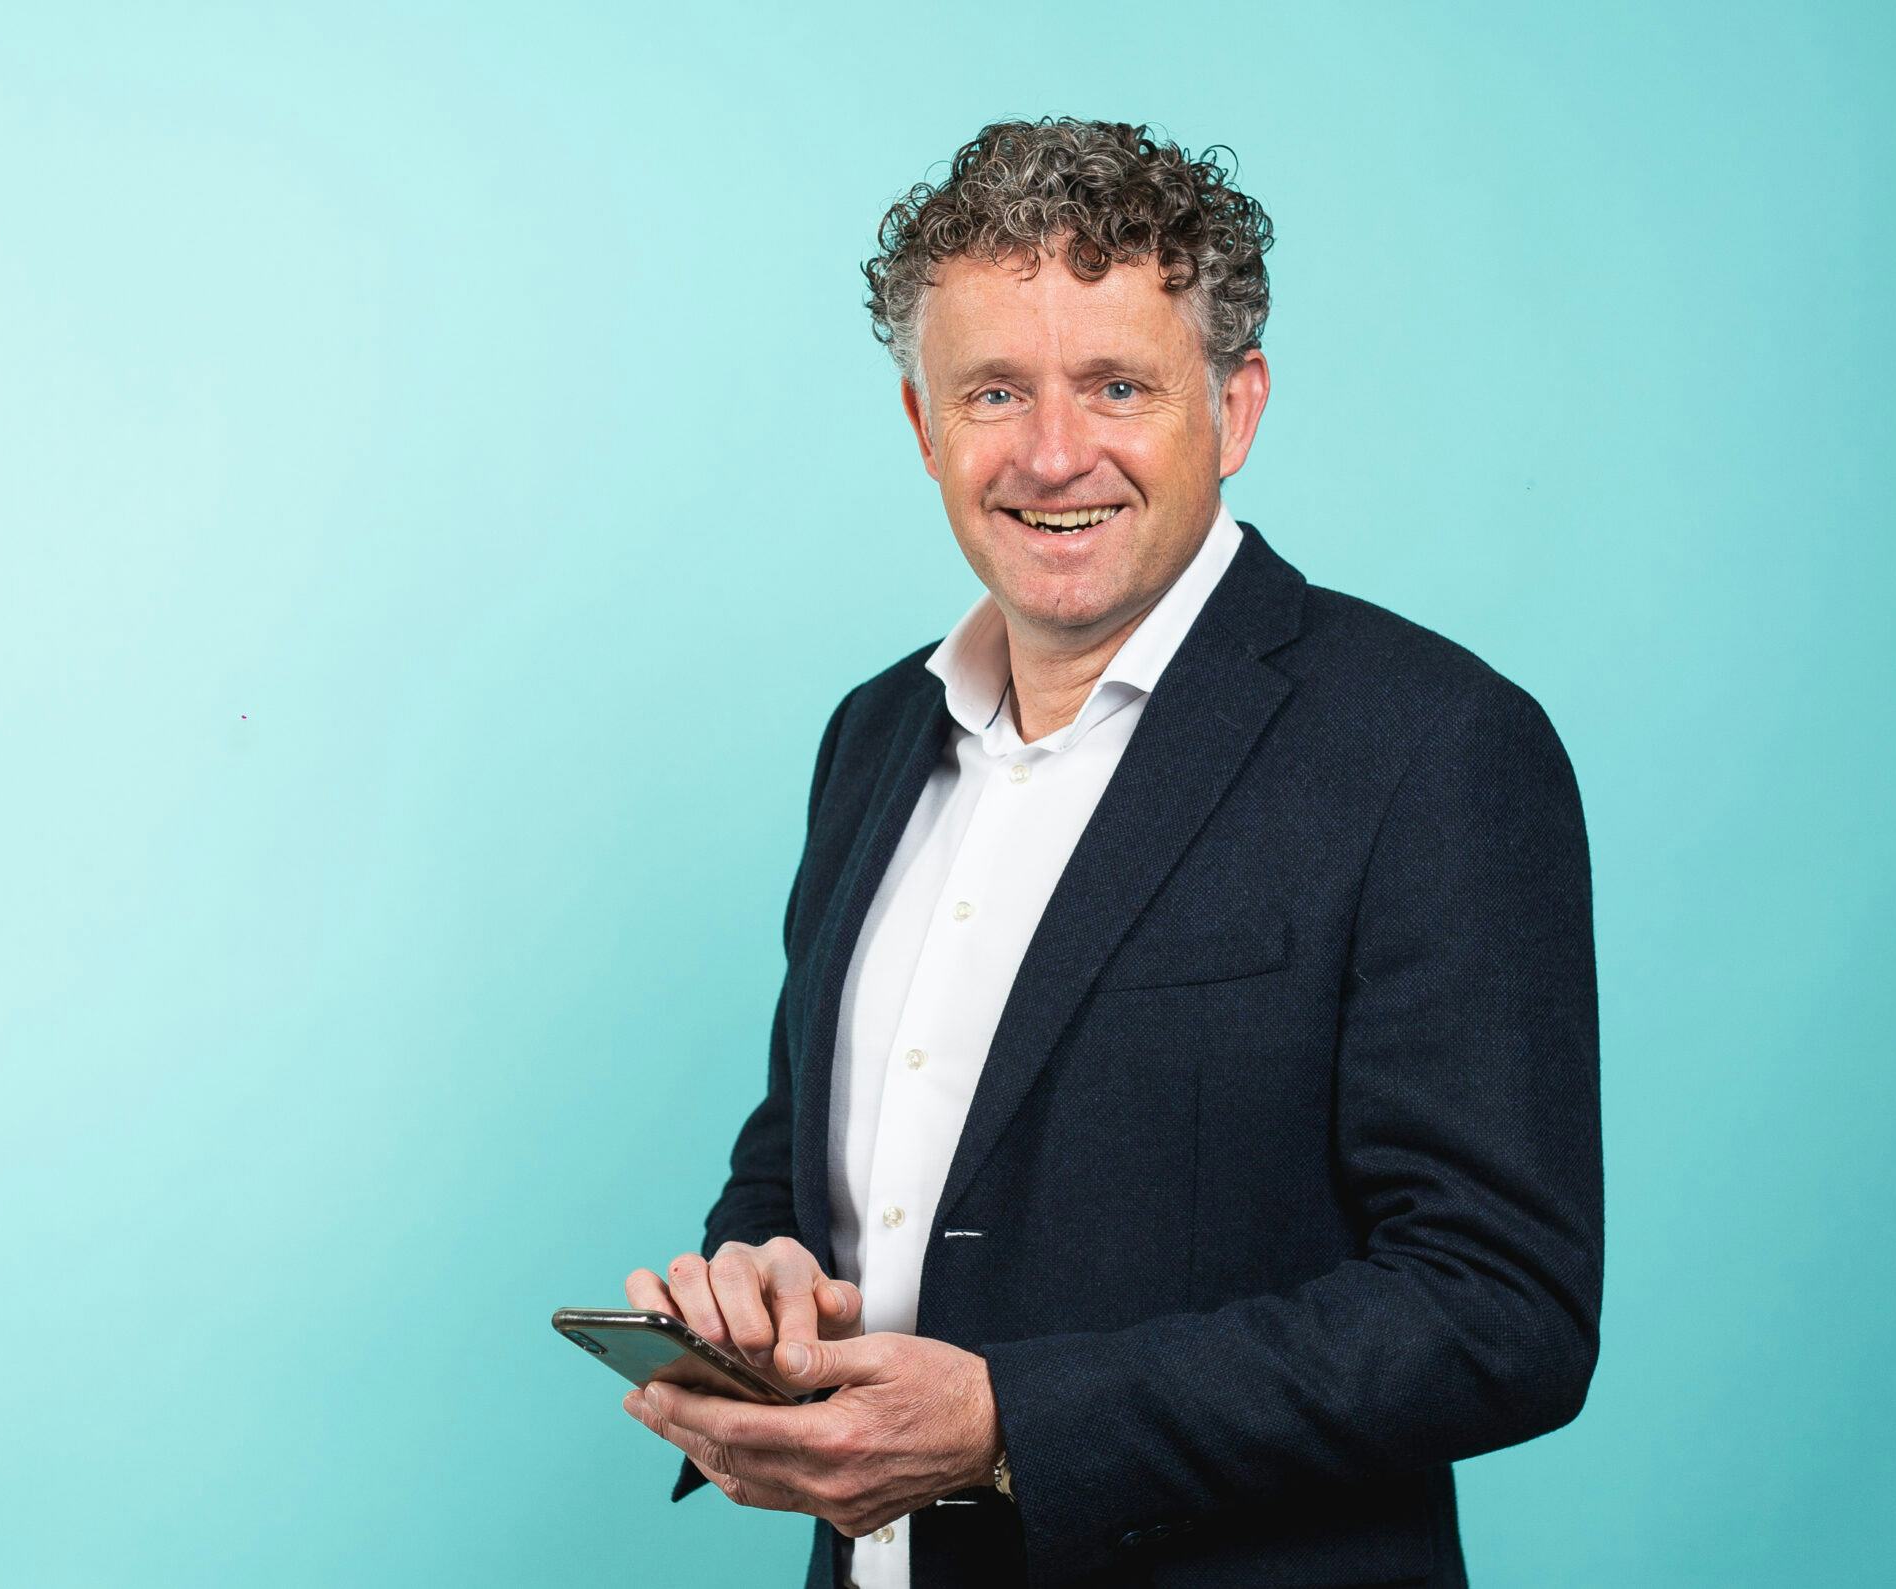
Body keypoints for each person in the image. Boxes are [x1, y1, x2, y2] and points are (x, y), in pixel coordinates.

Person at [618, 115, 1601, 1589]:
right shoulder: (871, 739)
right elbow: (801, 1166)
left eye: (1119, 386)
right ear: (924, 425)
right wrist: (758, 1289)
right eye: (995, 391)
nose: (1053, 453)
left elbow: (1502, 1310)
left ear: (1236, 408)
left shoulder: (1433, 745)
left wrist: (1008, 1425)